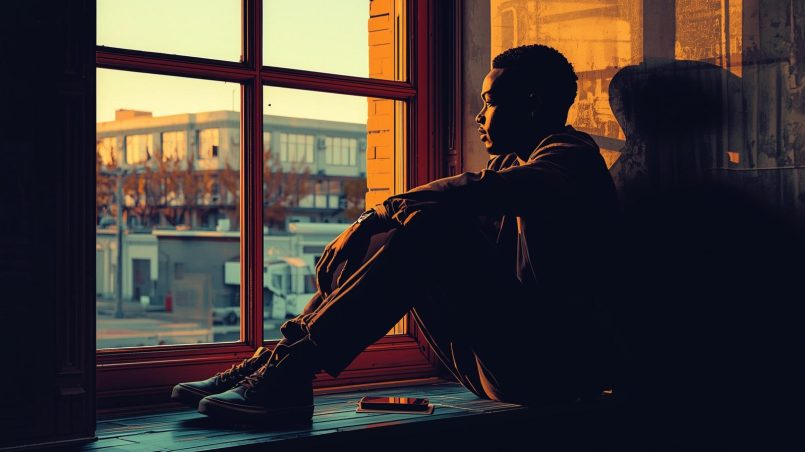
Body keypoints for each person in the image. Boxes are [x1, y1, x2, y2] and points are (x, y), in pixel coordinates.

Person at [171, 44, 621, 424]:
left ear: (533, 103)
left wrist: (376, 214)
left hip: (553, 371)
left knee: (430, 226)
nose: (479, 115)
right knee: (419, 225)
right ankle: (278, 364)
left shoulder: (573, 158)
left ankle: (289, 370)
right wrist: (383, 224)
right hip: (500, 362)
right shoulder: (509, 165)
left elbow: (488, 192)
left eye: (490, 101)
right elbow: (469, 200)